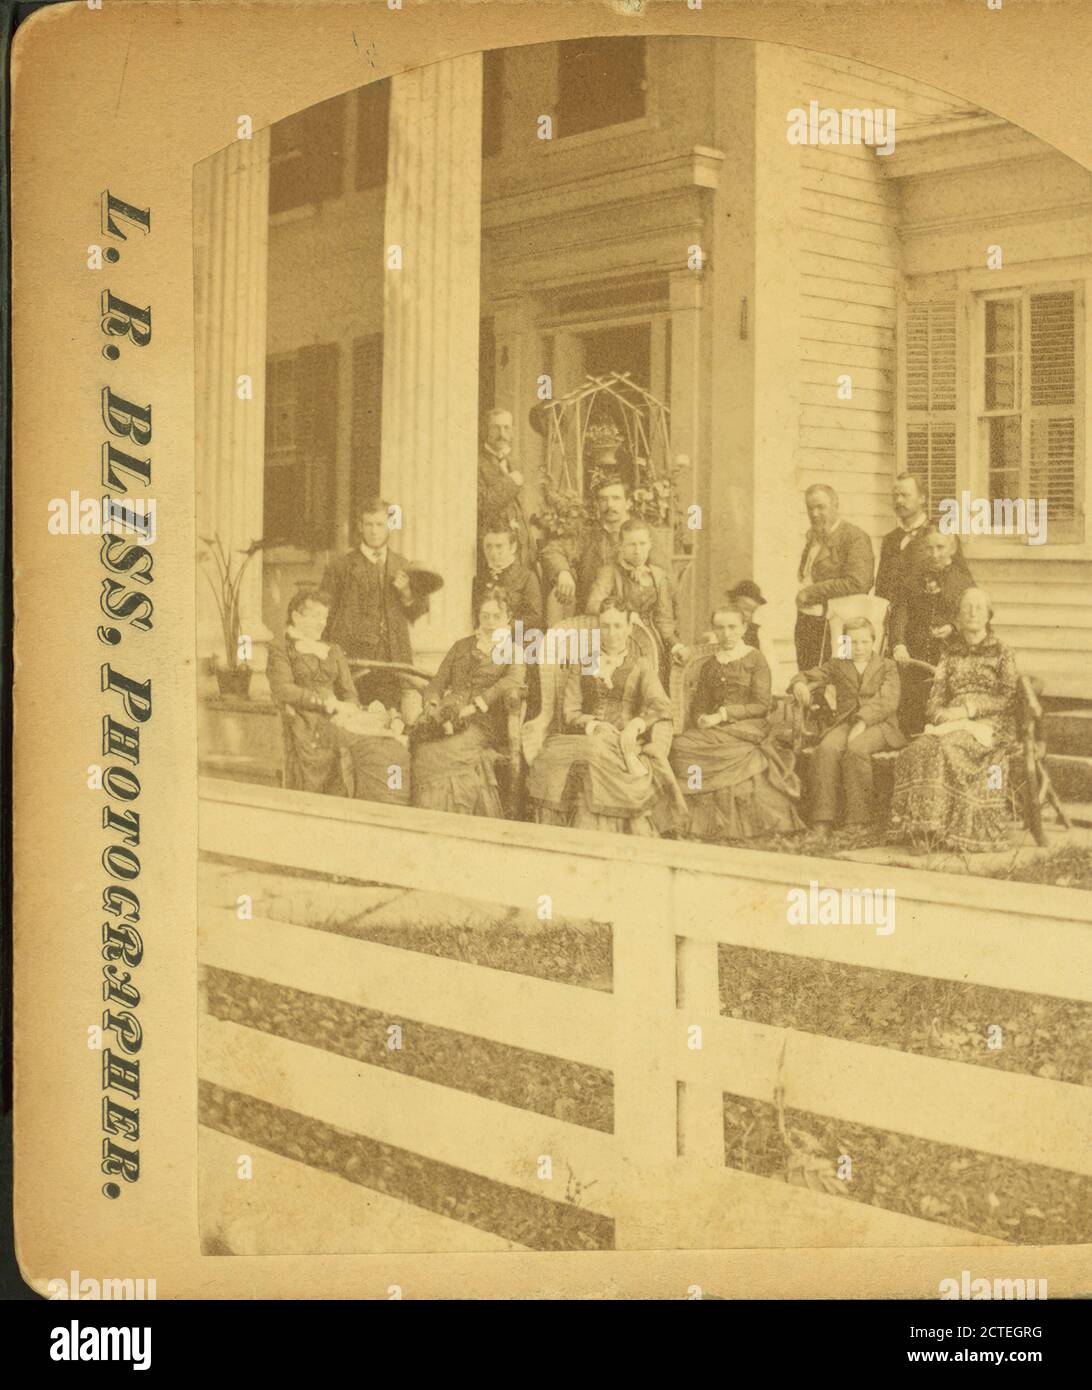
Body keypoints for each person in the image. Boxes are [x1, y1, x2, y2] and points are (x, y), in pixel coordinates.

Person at [527, 598, 686, 835]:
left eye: (618, 626)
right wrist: (593, 725)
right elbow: (570, 712)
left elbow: (662, 704)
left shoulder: (641, 665)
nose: (612, 633)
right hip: (584, 737)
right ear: (598, 628)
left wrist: (637, 724)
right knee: (563, 755)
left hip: (623, 739)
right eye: (605, 626)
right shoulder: (583, 663)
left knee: (596, 753)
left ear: (629, 629)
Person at [889, 588, 1019, 853]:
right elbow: (936, 697)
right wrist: (940, 715)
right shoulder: (950, 654)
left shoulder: (1002, 651)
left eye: (978, 608)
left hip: (990, 725)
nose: (972, 613)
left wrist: (968, 710)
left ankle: (939, 829)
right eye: (966, 608)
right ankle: (920, 829)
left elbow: (1009, 697)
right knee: (916, 751)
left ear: (988, 616)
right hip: (950, 723)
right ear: (957, 618)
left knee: (947, 749)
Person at [669, 606, 803, 841]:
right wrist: (701, 718)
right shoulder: (710, 664)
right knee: (681, 746)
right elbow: (700, 703)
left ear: (744, 628)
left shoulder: (755, 659)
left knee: (726, 749)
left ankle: (741, 822)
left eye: (732, 627)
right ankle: (696, 812)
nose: (726, 633)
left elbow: (762, 705)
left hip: (749, 725)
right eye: (720, 628)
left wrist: (722, 715)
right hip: (715, 728)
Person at [267, 588, 411, 804]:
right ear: (296, 617)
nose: (321, 623)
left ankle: (386, 804)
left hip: (340, 717)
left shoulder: (332, 650)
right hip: (308, 720)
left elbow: (349, 693)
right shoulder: (282, 649)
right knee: (369, 747)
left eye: (324, 617)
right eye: (315, 616)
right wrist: (329, 705)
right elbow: (284, 689)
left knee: (388, 745)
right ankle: (367, 805)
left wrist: (348, 710)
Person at [411, 590, 526, 817]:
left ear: (508, 618)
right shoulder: (461, 646)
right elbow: (437, 683)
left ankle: (449, 816)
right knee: (419, 746)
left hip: (484, 722)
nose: (490, 622)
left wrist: (478, 703)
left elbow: (513, 680)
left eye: (496, 616)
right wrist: (432, 705)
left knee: (443, 752)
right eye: (485, 616)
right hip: (447, 713)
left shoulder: (514, 651)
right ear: (478, 617)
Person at [790, 615, 905, 838]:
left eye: (864, 642)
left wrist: (862, 721)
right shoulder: (838, 664)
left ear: (873, 641)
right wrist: (799, 684)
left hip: (880, 725)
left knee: (856, 750)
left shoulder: (887, 666)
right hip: (845, 722)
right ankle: (822, 820)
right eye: (852, 642)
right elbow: (807, 674)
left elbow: (888, 700)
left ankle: (860, 821)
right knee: (826, 749)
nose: (859, 648)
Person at [321, 496, 434, 721]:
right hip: (353, 657)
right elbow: (325, 611)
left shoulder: (403, 564)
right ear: (360, 527)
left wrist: (406, 593)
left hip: (392, 658)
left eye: (380, 524)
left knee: (391, 719)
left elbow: (419, 610)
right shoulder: (341, 566)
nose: (374, 531)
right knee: (353, 718)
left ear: (389, 526)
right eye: (369, 524)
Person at [539, 475, 667, 619]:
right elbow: (552, 550)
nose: (610, 505)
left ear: (628, 503)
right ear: (597, 504)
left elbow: (663, 578)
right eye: (603, 499)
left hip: (632, 618)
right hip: (594, 614)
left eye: (616, 498)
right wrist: (563, 572)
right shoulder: (587, 534)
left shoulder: (643, 533)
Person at [890, 526, 975, 735]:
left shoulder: (962, 580)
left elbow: (974, 615)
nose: (934, 554)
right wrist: (899, 643)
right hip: (913, 654)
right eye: (929, 548)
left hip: (950, 653)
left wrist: (953, 627)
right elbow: (901, 610)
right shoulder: (913, 577)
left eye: (940, 547)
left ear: (952, 548)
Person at [586, 517, 687, 678]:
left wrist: (676, 645)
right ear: (621, 547)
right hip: (619, 638)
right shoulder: (609, 572)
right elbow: (592, 605)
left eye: (642, 544)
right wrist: (624, 614)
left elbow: (664, 619)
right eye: (631, 544)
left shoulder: (658, 575)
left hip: (652, 639)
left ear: (650, 544)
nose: (637, 550)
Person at [794, 484, 875, 669]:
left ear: (835, 505)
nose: (814, 514)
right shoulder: (813, 538)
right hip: (808, 624)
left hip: (836, 626)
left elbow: (858, 582)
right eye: (810, 508)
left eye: (820, 507)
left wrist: (811, 593)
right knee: (808, 680)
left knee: (835, 683)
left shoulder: (854, 537)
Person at [478, 407, 533, 566]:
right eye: (496, 427)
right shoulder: (477, 463)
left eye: (506, 428)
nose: (501, 433)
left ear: (512, 432)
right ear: (485, 430)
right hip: (494, 553)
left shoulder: (514, 462)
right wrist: (511, 482)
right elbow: (482, 504)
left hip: (520, 552)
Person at [472, 521, 543, 632]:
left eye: (499, 546)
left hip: (516, 640)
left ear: (512, 547)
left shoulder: (527, 577)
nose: (493, 552)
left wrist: (505, 625)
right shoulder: (480, 579)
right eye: (488, 547)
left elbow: (535, 618)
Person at [874, 472, 931, 604]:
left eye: (905, 495)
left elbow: (956, 586)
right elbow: (881, 591)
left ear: (922, 498)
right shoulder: (890, 540)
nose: (899, 501)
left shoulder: (939, 535)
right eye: (895, 496)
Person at [723, 580, 766, 652]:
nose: (748, 615)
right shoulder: (718, 630)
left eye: (752, 611)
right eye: (745, 608)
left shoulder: (758, 633)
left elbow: (770, 662)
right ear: (731, 604)